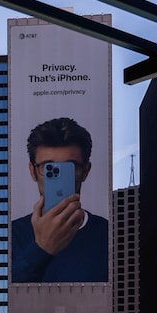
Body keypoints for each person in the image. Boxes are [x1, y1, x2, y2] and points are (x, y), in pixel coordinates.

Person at [11, 116, 108, 283]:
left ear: (85, 171)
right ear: (32, 171)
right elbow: (2, 298)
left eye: (69, 168)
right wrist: (41, 249)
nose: (59, 177)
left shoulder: (109, 234)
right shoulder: (12, 235)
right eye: (49, 168)